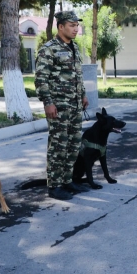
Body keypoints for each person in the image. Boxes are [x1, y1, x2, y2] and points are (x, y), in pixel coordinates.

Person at [35, 11, 90, 201]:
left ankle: (67, 181)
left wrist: (82, 95)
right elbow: (41, 79)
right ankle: (55, 185)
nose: (76, 29)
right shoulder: (49, 49)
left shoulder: (73, 47)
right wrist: (48, 103)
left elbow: (77, 75)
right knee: (58, 146)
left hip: (74, 106)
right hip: (58, 107)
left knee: (73, 145)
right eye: (72, 25)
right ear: (60, 27)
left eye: (77, 25)